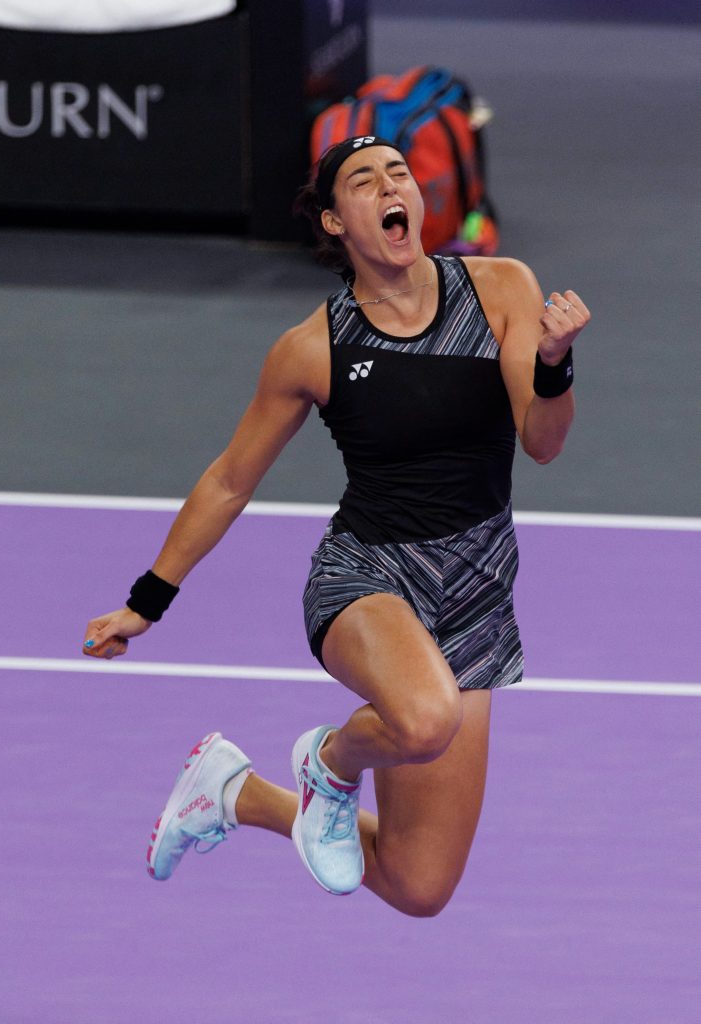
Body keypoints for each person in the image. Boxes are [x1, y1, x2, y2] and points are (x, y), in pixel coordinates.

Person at [83, 135, 590, 917]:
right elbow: (229, 480)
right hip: (367, 580)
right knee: (424, 720)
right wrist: (145, 601)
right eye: (364, 180)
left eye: (399, 172)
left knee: (418, 885)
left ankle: (234, 791)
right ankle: (327, 761)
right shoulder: (311, 349)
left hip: (476, 597)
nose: (391, 186)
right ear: (334, 221)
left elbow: (543, 442)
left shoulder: (499, 289)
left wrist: (553, 364)